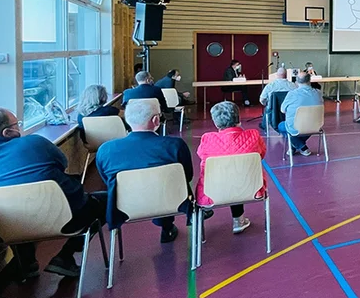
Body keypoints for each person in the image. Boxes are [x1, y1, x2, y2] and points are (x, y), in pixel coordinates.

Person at [0, 108, 107, 278]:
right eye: (17, 124)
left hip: (7, 229)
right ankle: (65, 256)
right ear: (8, 132)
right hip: (67, 219)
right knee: (108, 199)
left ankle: (27, 264)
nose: (20, 128)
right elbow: (62, 163)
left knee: (12, 209)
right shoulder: (34, 144)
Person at [95, 99, 193, 243]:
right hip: (172, 200)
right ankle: (167, 227)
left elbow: (107, 179)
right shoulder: (175, 145)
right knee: (165, 184)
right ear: (156, 120)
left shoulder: (106, 150)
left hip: (124, 204)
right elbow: (187, 176)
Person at [196, 101, 267, 234]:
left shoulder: (207, 139)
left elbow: (201, 154)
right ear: (238, 118)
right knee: (237, 174)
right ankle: (238, 220)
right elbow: (261, 154)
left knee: (229, 175)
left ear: (216, 123)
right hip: (250, 187)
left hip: (213, 190)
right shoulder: (254, 135)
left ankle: (200, 229)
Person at [279, 73, 325, 154]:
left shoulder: (292, 94)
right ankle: (295, 147)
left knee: (281, 126)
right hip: (315, 126)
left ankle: (302, 147)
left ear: (296, 82)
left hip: (296, 127)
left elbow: (282, 110)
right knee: (305, 128)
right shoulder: (318, 93)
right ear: (309, 80)